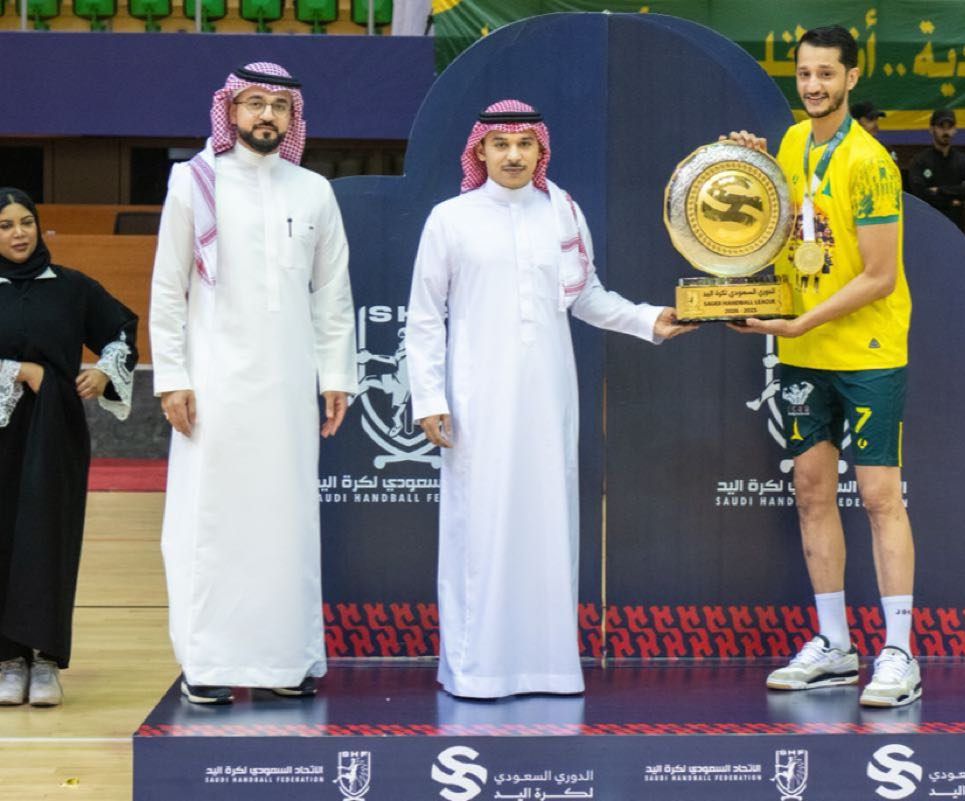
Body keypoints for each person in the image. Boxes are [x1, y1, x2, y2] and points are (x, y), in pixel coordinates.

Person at [406, 99, 694, 699]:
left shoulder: (561, 212)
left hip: (547, 395)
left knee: (547, 524)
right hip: (475, 399)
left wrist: (649, 319)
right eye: (501, 144)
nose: (513, 155)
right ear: (480, 150)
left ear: (541, 150)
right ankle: (475, 670)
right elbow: (426, 316)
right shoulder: (450, 219)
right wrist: (429, 396)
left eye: (525, 144)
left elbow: (586, 297)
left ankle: (549, 668)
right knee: (479, 528)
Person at [724, 25, 919, 707]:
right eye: (805, 74)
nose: (813, 85)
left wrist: (802, 320)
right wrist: (753, 167)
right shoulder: (791, 143)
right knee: (811, 491)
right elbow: (784, 222)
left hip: (866, 353)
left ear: (852, 77)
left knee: (879, 496)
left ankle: (899, 652)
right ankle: (835, 644)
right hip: (803, 353)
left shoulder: (872, 162)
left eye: (826, 74)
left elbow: (880, 275)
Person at [150, 63, 356, 704]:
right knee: (211, 522)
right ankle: (208, 663)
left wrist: (336, 376)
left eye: (279, 106)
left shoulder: (314, 190)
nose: (267, 115)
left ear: (293, 117)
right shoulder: (194, 182)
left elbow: (333, 294)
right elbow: (168, 288)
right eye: (254, 103)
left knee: (285, 522)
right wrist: (172, 377)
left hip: (290, 385)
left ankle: (285, 661)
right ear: (231, 111)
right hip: (213, 385)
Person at [0, 188, 138, 707]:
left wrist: (104, 371)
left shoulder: (72, 287)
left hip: (55, 429)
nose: (18, 233)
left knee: (49, 537)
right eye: (5, 225)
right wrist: (21, 371)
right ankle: (7, 660)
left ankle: (45, 660)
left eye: (26, 222)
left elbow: (121, 330)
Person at [907, 108, 965, 231]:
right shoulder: (919, 161)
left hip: (956, 227)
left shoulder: (964, 161)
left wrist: (940, 190)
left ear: (955, 130)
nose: (946, 132)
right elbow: (920, 194)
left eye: (950, 127)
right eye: (941, 127)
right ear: (931, 129)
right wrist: (952, 201)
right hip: (928, 225)